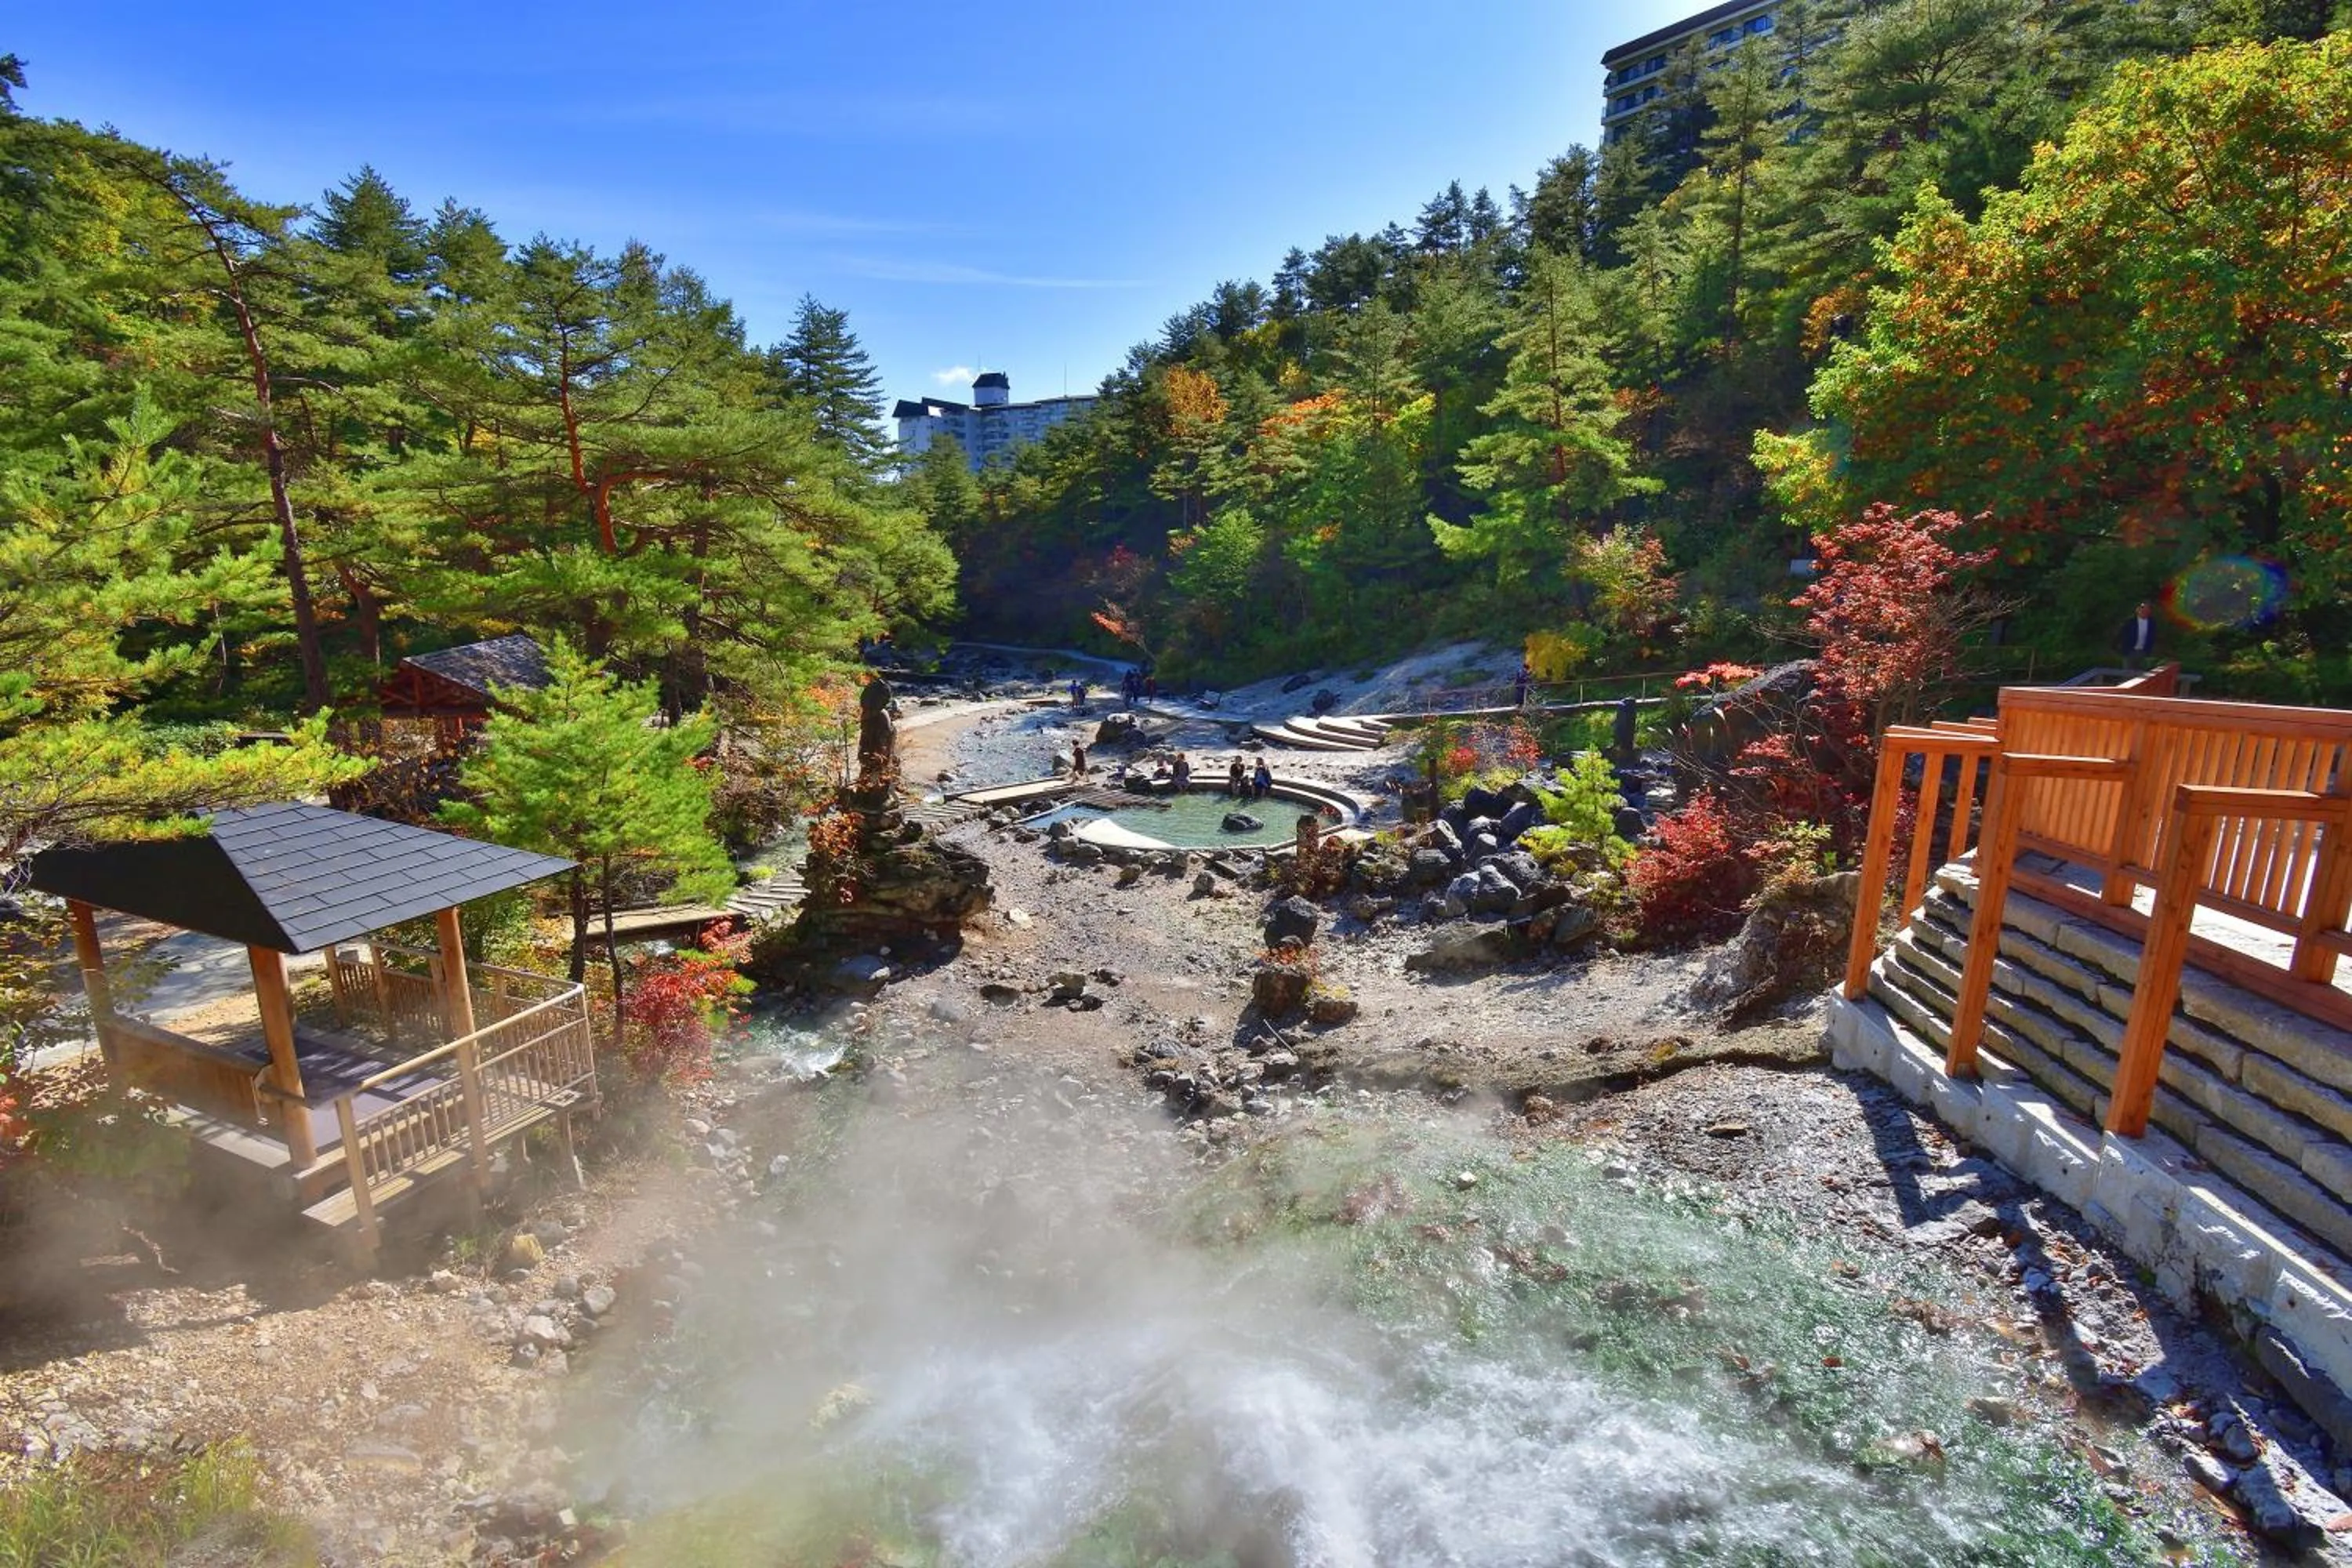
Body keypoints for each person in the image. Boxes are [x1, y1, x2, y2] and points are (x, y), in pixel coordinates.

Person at [2118, 601, 2160, 671]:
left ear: (2150, 611)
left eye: (2147, 608)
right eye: (2142, 608)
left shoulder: (2152, 623)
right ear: (2137, 609)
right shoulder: (2130, 621)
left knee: (2141, 676)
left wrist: (2149, 651)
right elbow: (2121, 635)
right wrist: (2121, 648)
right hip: (2130, 651)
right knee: (2127, 675)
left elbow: (2152, 638)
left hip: (2143, 653)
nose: (2144, 610)